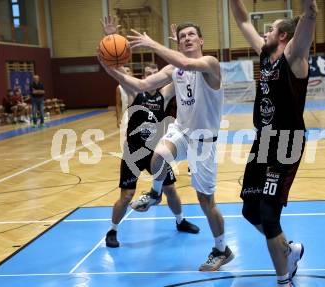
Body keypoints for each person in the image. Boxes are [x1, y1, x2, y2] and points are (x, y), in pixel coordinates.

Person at [98, 21, 233, 271]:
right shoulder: (174, 70)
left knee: (206, 202)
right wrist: (109, 68)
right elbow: (140, 86)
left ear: (201, 41)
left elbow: (188, 63)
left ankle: (221, 249)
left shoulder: (210, 64)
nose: (188, 38)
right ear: (178, 43)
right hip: (181, 131)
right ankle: (155, 193)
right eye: (183, 36)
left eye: (192, 34)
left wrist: (151, 44)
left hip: (203, 140)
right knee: (158, 155)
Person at [230, 0, 317, 286]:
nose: (264, 33)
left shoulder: (294, 57)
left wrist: (309, 7)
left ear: (283, 36)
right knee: (249, 210)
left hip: (286, 143)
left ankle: (284, 281)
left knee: (268, 215)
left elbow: (311, 14)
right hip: (263, 141)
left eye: (270, 30)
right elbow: (243, 21)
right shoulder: (266, 56)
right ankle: (288, 250)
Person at [101, 16, 199, 249]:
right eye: (147, 72)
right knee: (126, 196)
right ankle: (112, 231)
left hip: (156, 151)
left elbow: (182, 67)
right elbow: (116, 68)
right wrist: (110, 38)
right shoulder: (136, 93)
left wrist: (179, 43)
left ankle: (180, 220)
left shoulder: (164, 95)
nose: (151, 74)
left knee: (171, 190)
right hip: (134, 152)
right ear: (144, 76)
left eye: (155, 70)